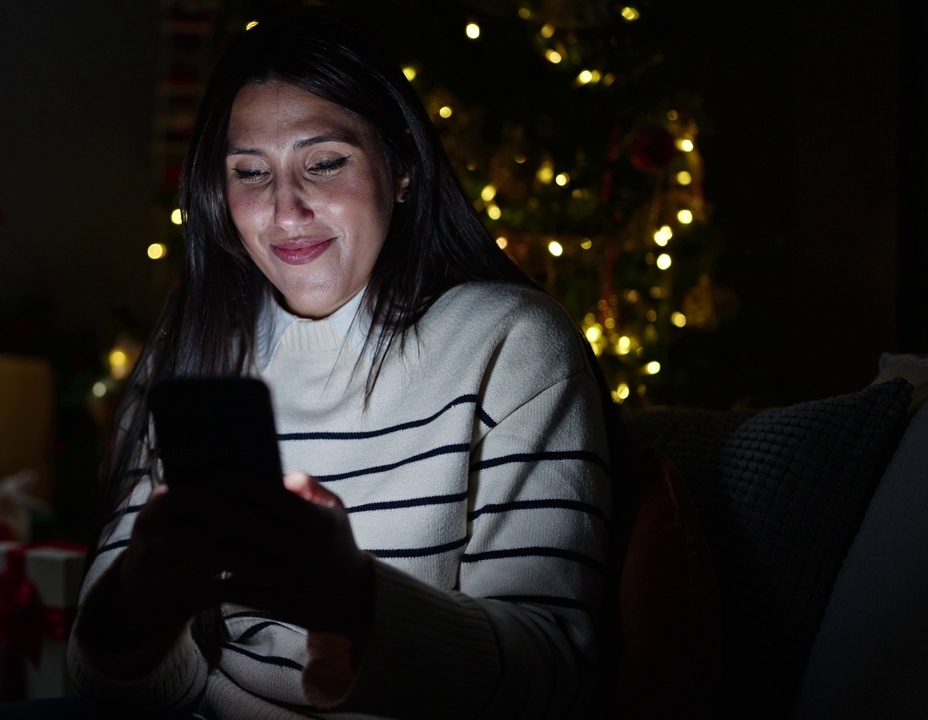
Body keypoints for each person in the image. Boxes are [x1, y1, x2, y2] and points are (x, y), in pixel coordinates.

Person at [58, 7, 626, 719]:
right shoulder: (197, 346)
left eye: (324, 163)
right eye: (249, 173)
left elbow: (553, 675)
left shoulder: (509, 343)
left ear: (402, 170)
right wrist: (136, 606)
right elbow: (100, 682)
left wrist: (352, 602)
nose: (286, 209)